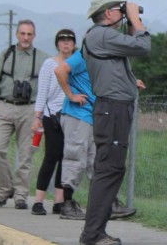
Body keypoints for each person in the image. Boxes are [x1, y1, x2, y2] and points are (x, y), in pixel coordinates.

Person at [78, 0, 150, 245]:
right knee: (108, 170)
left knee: (111, 169)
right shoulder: (100, 34)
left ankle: (96, 231)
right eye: (118, 9)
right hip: (112, 109)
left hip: (114, 109)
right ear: (108, 13)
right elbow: (142, 46)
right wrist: (133, 17)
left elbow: (131, 43)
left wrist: (131, 20)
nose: (122, 12)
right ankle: (92, 234)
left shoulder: (103, 37)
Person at [55, 47, 137, 221]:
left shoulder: (99, 59)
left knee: (98, 162)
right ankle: (67, 204)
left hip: (96, 115)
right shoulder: (82, 56)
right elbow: (60, 70)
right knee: (75, 157)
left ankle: (107, 205)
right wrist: (71, 95)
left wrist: (132, 83)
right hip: (78, 114)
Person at [0, 19, 51, 210]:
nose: (25, 38)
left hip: (30, 109)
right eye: (22, 33)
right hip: (5, 106)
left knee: (26, 153)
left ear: (34, 36)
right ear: (17, 34)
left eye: (29, 34)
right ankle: (5, 189)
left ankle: (21, 194)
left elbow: (53, 82)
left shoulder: (43, 59)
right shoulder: (5, 55)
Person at [29, 29, 77, 215]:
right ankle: (39, 201)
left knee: (67, 158)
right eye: (62, 40)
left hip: (72, 115)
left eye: (69, 40)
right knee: (52, 156)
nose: (66, 43)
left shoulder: (78, 64)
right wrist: (37, 116)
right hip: (52, 115)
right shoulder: (49, 64)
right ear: (57, 44)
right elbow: (42, 92)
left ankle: (59, 201)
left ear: (74, 44)